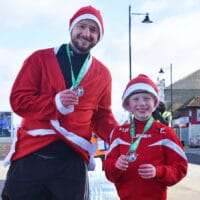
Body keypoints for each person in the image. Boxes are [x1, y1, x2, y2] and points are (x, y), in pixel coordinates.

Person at [1, 5, 118, 200]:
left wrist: (118, 134)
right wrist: (54, 104)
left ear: (99, 36)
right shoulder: (39, 59)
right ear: (71, 28)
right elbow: (18, 100)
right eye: (82, 26)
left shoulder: (103, 74)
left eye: (93, 29)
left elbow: (101, 116)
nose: (86, 33)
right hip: (32, 153)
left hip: (72, 160)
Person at [103, 74, 188, 200]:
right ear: (128, 104)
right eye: (135, 99)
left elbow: (180, 167)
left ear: (154, 102)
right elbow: (109, 171)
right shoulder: (118, 133)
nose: (141, 103)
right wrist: (116, 165)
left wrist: (158, 171)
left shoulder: (165, 133)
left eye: (147, 98)